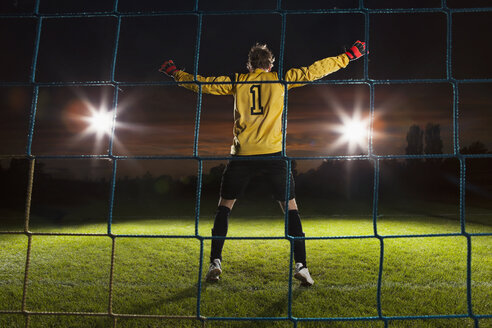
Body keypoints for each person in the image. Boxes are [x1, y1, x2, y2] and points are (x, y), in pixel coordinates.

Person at [160, 41, 366, 286]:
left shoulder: (238, 81)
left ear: (249, 65)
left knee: (224, 208)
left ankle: (215, 261)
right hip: (273, 155)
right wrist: (348, 56)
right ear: (271, 64)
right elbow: (315, 70)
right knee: (291, 210)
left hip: (242, 154)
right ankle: (301, 265)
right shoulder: (281, 80)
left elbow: (202, 84)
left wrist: (175, 73)